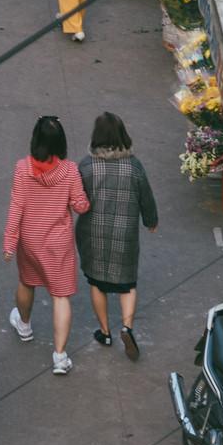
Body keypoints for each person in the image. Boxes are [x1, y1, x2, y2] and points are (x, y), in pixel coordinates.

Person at [3, 115, 89, 369]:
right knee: (60, 297)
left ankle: (24, 325)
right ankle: (60, 357)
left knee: (27, 282)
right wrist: (83, 200)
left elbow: (17, 205)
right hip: (59, 244)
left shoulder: (22, 168)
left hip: (29, 240)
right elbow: (80, 206)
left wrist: (10, 241)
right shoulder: (70, 170)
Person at [77, 113, 158, 361]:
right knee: (127, 284)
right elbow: (146, 196)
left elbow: (78, 201)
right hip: (125, 233)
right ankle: (127, 327)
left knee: (96, 282)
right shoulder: (134, 166)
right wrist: (150, 220)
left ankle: (105, 332)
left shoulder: (86, 166)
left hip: (94, 232)